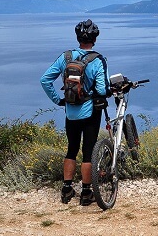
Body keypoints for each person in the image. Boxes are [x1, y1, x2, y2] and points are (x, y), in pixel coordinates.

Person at [40, 19, 110, 205]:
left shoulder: (66, 57)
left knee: (71, 149)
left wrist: (59, 100)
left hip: (70, 112)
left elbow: (45, 80)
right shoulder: (98, 59)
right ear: (94, 38)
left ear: (77, 37)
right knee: (88, 151)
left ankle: (66, 189)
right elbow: (102, 90)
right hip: (90, 113)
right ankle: (86, 193)